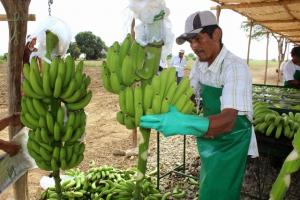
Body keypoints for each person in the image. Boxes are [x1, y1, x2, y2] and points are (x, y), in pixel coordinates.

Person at [141, 10, 258, 200]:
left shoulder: (234, 67)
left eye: (198, 38)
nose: (194, 46)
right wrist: (165, 104)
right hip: (209, 135)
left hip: (232, 140)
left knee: (222, 192)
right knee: (207, 184)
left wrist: (186, 124)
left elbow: (228, 120)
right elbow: (190, 95)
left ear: (216, 34)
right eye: (190, 41)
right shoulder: (199, 64)